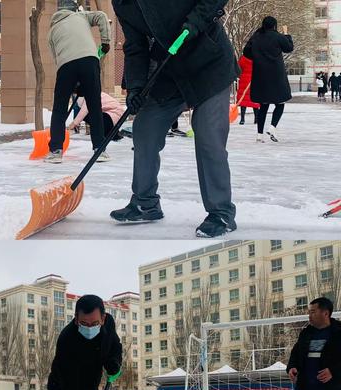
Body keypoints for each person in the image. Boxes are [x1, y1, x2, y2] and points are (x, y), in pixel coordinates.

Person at [110, 0, 239, 238]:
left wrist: (195, 22)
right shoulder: (121, 3)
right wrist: (136, 88)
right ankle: (145, 203)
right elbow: (136, 46)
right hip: (171, 71)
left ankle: (221, 212)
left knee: (208, 133)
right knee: (145, 128)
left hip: (209, 63)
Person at [45, 0, 111, 163]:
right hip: (89, 61)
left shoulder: (51, 32)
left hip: (65, 65)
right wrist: (105, 42)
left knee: (59, 108)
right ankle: (99, 150)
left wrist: (73, 83)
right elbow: (102, 16)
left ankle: (55, 151)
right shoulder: (80, 16)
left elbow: (57, 60)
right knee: (95, 106)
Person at [244, 17, 293, 143]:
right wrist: (287, 34)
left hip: (260, 74)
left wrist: (258, 57)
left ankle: (259, 135)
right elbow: (289, 48)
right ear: (274, 26)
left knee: (263, 104)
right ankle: (272, 127)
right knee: (280, 103)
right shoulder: (277, 37)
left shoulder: (256, 37)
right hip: (276, 74)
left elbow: (246, 52)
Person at [237, 55, 260, 125]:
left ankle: (242, 119)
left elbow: (238, 67)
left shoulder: (243, 58)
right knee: (255, 100)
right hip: (255, 79)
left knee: (243, 100)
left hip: (244, 80)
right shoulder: (258, 57)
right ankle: (256, 119)